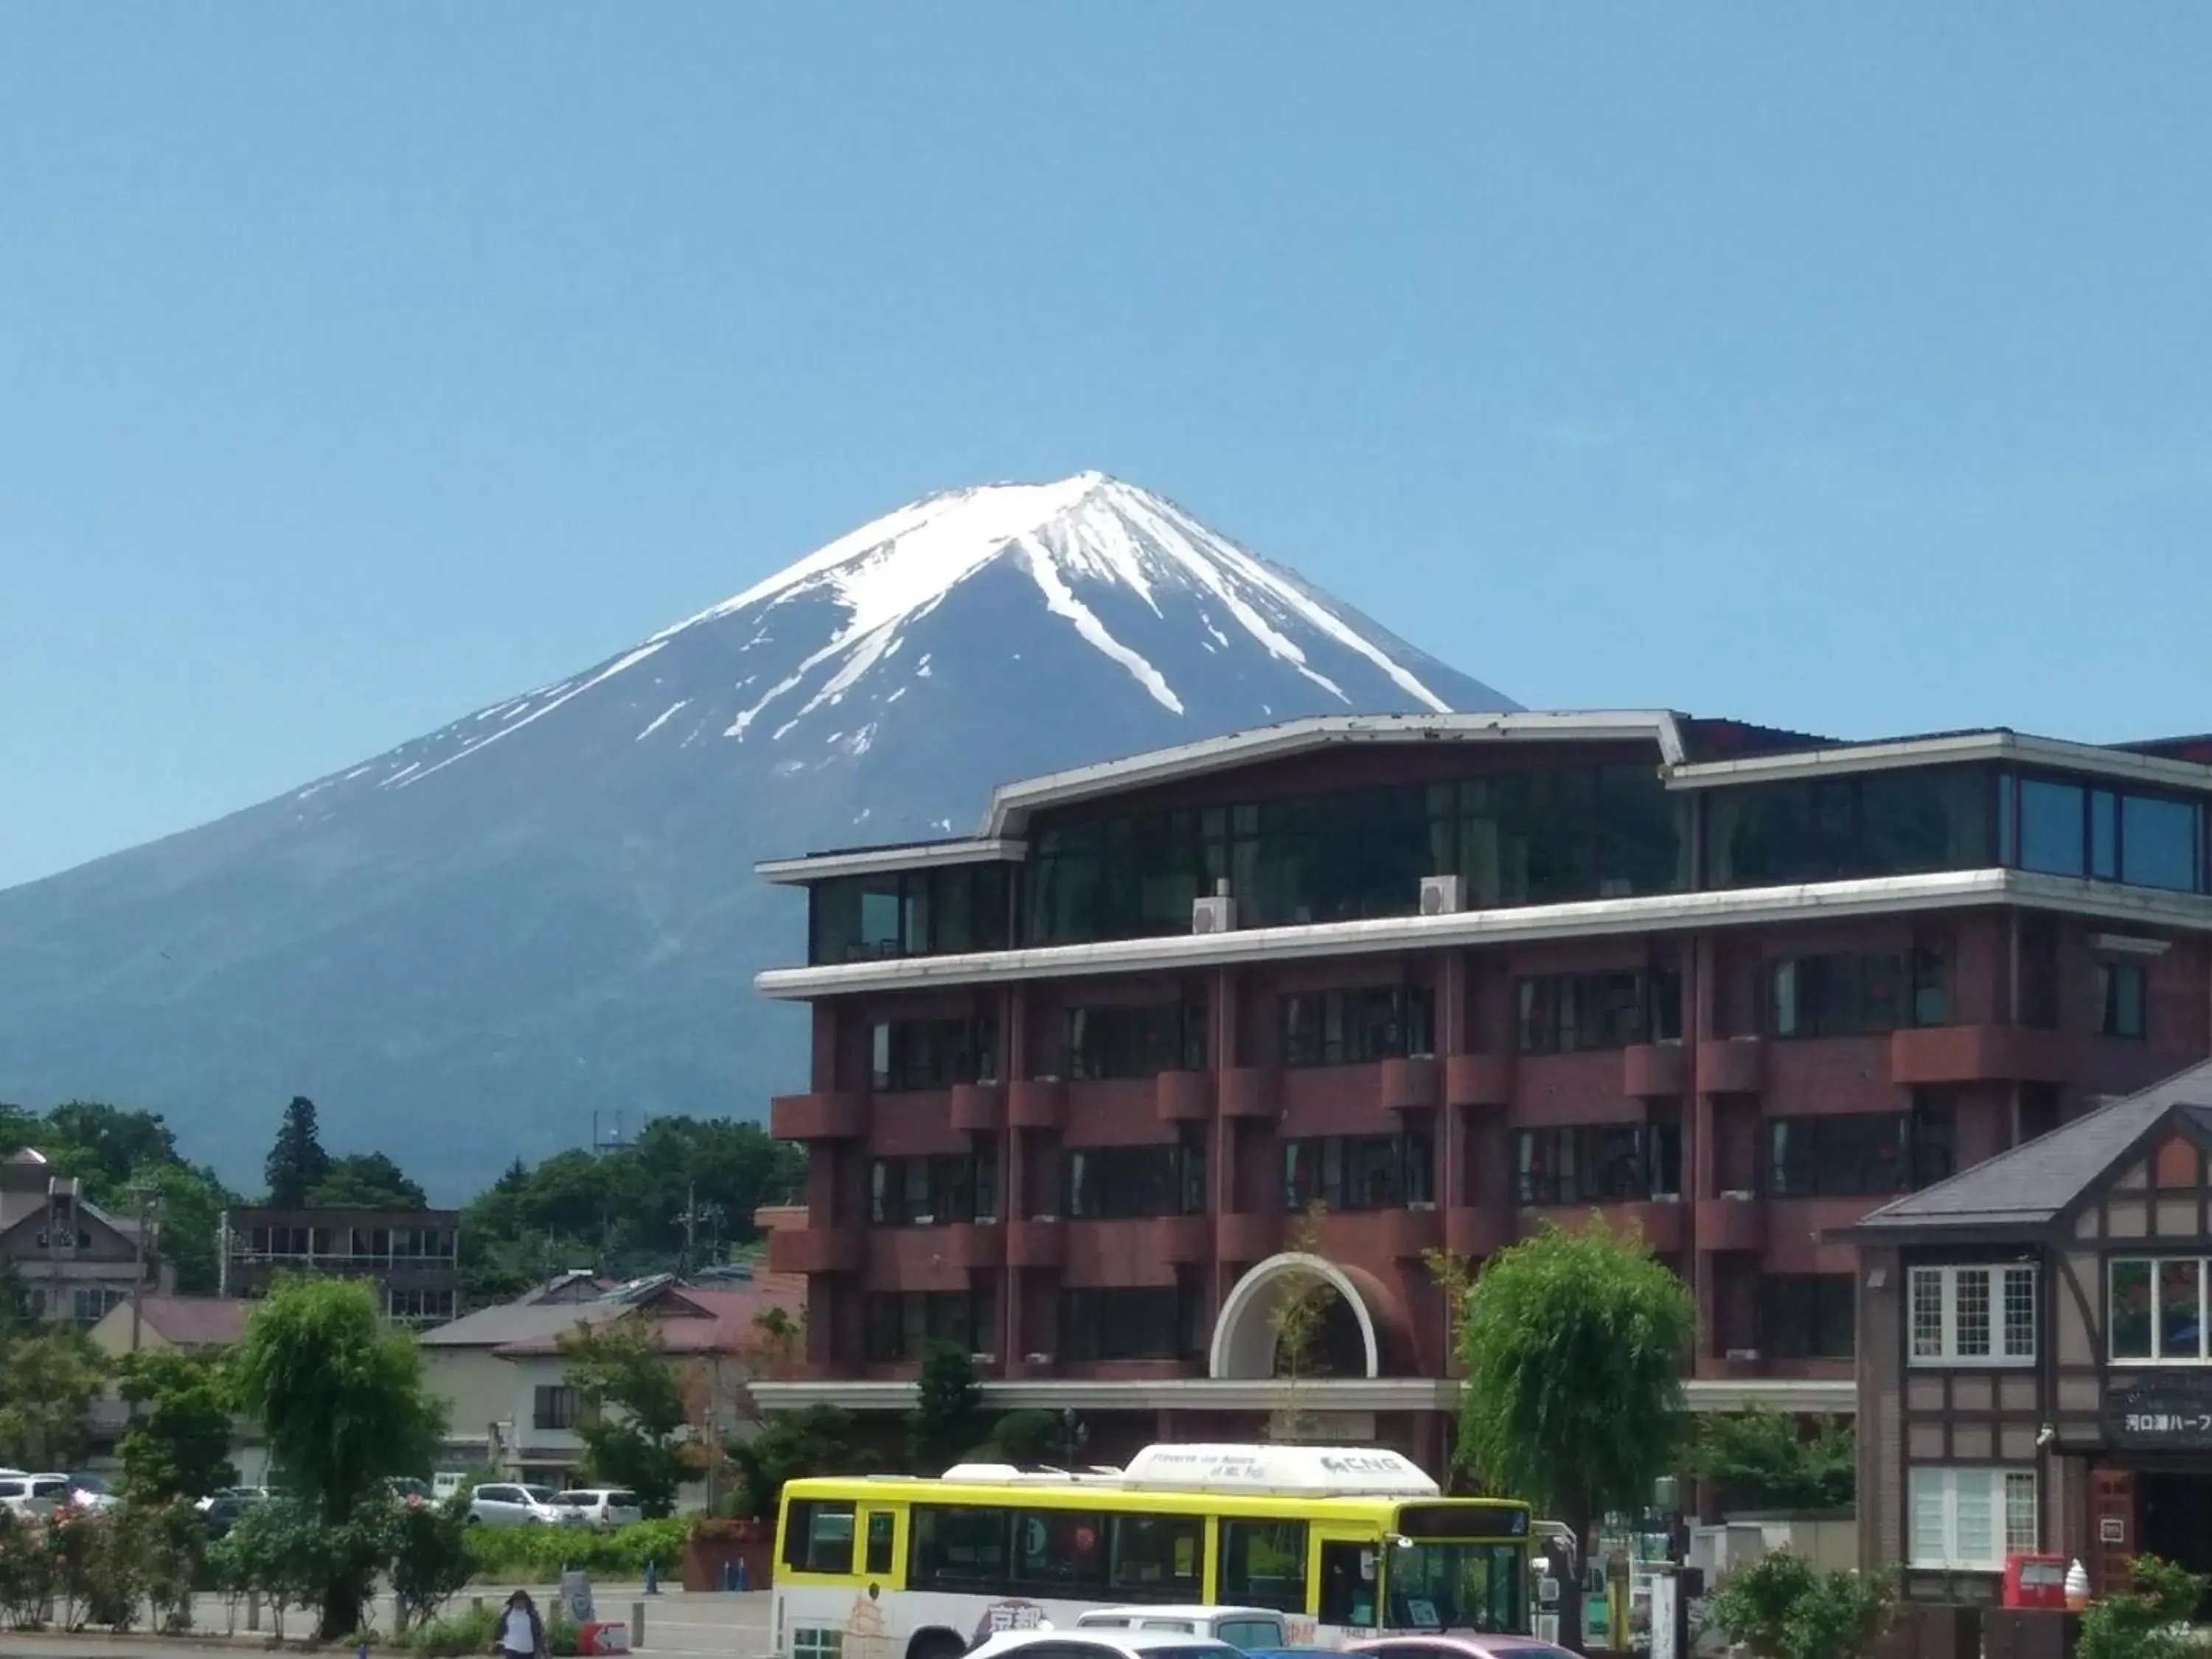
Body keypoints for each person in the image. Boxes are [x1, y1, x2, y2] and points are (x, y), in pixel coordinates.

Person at [495, 1589, 548, 1659]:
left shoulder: (532, 1617)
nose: (519, 1604)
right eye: (517, 1602)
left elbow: (538, 1634)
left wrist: (544, 1651)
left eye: (522, 1602)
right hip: (511, 1649)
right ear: (513, 1603)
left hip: (528, 1650)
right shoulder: (507, 1616)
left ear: (526, 1603)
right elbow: (500, 1630)